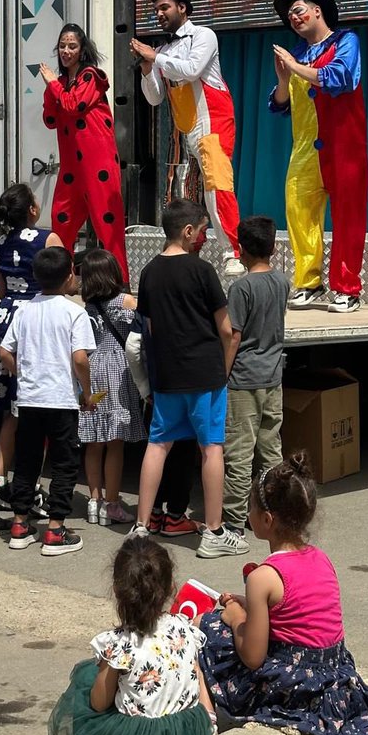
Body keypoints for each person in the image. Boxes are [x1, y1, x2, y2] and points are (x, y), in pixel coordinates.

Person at [199, 454, 368, 735]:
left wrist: (234, 616)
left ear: (267, 520)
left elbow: (253, 657)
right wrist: (247, 603)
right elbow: (296, 613)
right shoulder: (321, 559)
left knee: (206, 627)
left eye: (251, 507)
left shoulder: (263, 577)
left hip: (296, 686)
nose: (247, 512)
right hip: (335, 679)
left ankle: (205, 715)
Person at [128, 199, 246, 559]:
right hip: (204, 374)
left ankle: (141, 526)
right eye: (204, 229)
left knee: (158, 445)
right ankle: (213, 531)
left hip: (167, 376)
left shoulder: (149, 272)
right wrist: (223, 372)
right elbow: (226, 330)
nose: (206, 238)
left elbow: (148, 328)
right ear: (188, 230)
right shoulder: (202, 271)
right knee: (211, 448)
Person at [47, 536, 214, 735]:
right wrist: (206, 719)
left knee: (86, 686)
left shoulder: (120, 644)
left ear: (117, 590)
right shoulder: (185, 627)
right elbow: (197, 674)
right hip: (189, 733)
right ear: (172, 588)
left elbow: (99, 703)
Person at [132, 0, 243, 275]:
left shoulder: (202, 36)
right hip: (186, 128)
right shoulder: (164, 49)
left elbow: (192, 70)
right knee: (185, 193)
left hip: (212, 122)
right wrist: (146, 69)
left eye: (164, 7)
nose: (159, 13)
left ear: (182, 7)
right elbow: (154, 97)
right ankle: (192, 249)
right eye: (156, 9)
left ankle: (233, 251)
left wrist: (156, 58)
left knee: (216, 187)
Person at [0, 173, 62, 508]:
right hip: (36, 321)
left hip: (3, 320)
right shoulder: (50, 239)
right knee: (37, 407)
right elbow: (63, 282)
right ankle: (28, 484)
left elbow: (1, 290)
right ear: (33, 210)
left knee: (9, 409)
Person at [271, 0, 368, 313]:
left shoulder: (346, 41)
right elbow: (281, 105)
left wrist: (295, 67)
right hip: (304, 150)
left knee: (347, 217)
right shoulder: (296, 54)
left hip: (344, 146)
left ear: (317, 10)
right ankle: (309, 282)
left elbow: (340, 77)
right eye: (289, 16)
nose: (294, 18)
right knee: (299, 212)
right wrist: (284, 79)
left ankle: (347, 287)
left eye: (299, 10)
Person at [0, 246, 96, 556]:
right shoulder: (74, 312)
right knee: (64, 463)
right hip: (61, 400)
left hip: (29, 398)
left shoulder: (24, 309)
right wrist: (87, 392)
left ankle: (19, 523)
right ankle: (55, 529)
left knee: (27, 462)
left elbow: (5, 352)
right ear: (69, 275)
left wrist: (22, 373)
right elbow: (80, 358)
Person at [40, 23, 128, 282]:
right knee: (61, 220)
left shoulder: (91, 76)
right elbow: (50, 119)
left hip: (96, 159)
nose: (66, 51)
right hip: (71, 165)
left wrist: (53, 85)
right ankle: (61, 278)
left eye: (72, 46)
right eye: (63, 46)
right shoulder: (62, 82)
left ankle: (119, 281)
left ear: (82, 49)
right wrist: (51, 88)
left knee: (106, 222)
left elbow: (72, 104)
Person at [222, 216, 289, 537]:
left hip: (244, 379)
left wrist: (222, 374)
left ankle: (234, 521)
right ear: (273, 248)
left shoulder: (241, 288)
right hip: (273, 377)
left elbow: (233, 336)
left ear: (241, 250)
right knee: (270, 449)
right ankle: (274, 510)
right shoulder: (282, 282)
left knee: (238, 453)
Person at [78, 249, 145, 527]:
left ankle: (94, 500)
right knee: (115, 442)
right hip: (119, 369)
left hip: (93, 368)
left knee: (94, 441)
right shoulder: (126, 301)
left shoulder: (88, 308)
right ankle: (113, 504)